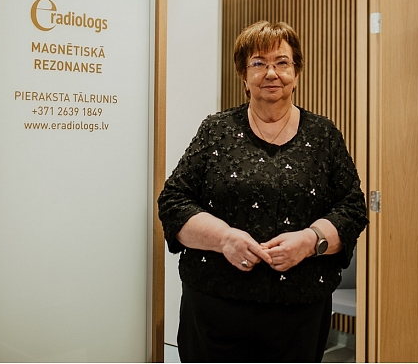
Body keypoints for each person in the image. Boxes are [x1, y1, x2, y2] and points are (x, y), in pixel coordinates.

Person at [158, 20, 369, 363]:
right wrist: (224, 238)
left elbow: (352, 208)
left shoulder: (323, 135)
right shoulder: (216, 130)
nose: (271, 73)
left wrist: (310, 241)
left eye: (282, 62)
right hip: (214, 308)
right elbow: (173, 202)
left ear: (296, 73)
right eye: (258, 63)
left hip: (299, 312)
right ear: (244, 76)